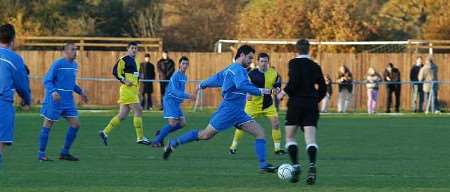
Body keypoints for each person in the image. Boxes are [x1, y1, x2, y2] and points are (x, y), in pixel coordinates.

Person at [162, 45, 277, 173]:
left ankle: (263, 165)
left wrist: (202, 84)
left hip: (238, 112)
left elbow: (217, 78)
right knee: (205, 135)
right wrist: (263, 91)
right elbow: (242, 85)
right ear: (242, 55)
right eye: (250, 58)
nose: (251, 61)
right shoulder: (238, 69)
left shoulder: (230, 69)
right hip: (228, 111)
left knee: (260, 133)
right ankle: (173, 143)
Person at [277, 39, 326, 184]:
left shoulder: (293, 63)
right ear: (309, 49)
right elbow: (323, 87)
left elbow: (294, 82)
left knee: (290, 137)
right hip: (310, 105)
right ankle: (311, 166)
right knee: (310, 140)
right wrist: (315, 99)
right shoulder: (315, 66)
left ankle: (296, 166)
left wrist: (283, 93)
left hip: (296, 104)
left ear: (296, 50)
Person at [38, 43, 88, 161]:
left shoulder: (74, 65)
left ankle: (64, 153)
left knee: (76, 125)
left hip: (68, 101)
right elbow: (47, 80)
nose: (75, 52)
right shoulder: (58, 64)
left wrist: (81, 92)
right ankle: (41, 154)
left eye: (76, 50)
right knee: (48, 125)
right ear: (66, 52)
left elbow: (71, 83)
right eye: (72, 50)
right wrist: (53, 92)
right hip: (55, 101)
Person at [228, 53, 285, 155]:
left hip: (268, 105)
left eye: (266, 61)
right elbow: (245, 86)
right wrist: (248, 94)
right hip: (252, 105)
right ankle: (233, 147)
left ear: (268, 62)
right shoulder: (251, 74)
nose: (264, 63)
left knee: (276, 123)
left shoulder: (274, 73)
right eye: (262, 61)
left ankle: (277, 149)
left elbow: (277, 85)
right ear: (258, 62)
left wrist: (277, 89)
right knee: (242, 125)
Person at [99, 42, 151, 146]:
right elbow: (115, 71)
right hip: (127, 90)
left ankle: (105, 132)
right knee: (139, 110)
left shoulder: (136, 62)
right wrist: (124, 80)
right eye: (132, 48)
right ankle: (140, 137)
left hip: (132, 91)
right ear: (128, 49)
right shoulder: (124, 60)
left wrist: (139, 77)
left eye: (136, 48)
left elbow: (135, 75)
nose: (134, 50)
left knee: (122, 115)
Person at [0, 24, 31, 167]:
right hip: (2, 104)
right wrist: (26, 100)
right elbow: (22, 86)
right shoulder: (14, 59)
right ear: (13, 40)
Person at [151, 56, 195, 147]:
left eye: (186, 64)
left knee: (182, 123)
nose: (185, 65)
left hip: (176, 102)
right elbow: (175, 91)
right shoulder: (175, 76)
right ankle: (156, 141)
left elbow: (180, 90)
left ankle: (161, 133)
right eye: (183, 63)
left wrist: (183, 98)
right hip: (170, 101)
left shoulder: (184, 76)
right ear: (179, 64)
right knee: (173, 123)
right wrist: (188, 96)